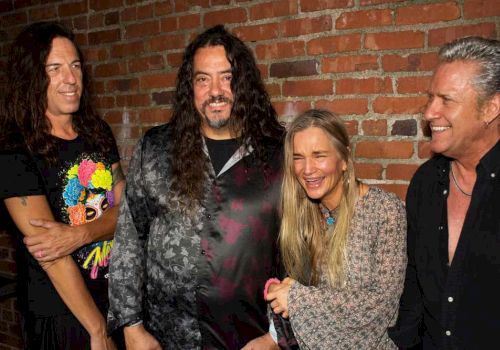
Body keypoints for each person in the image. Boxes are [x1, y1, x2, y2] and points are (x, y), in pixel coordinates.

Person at [107, 24, 284, 349]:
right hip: (166, 337)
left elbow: (303, 253)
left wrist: (276, 337)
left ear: (244, 83)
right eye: (203, 79)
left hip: (248, 338)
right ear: (190, 88)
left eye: (226, 77)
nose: (215, 90)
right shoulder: (156, 149)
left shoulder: (279, 154)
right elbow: (129, 240)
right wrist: (131, 327)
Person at [0, 21, 125, 349]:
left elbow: (127, 208)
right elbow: (51, 254)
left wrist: (80, 234)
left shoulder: (97, 131)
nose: (70, 79)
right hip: (61, 314)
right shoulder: (15, 149)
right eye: (54, 68)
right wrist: (97, 329)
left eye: (75, 66)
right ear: (32, 77)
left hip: (113, 297)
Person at [387, 36, 500, 349]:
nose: (429, 113)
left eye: (446, 100)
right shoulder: (426, 182)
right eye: (430, 98)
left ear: (491, 107)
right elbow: (413, 298)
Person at [265, 109, 407, 349]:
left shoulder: (384, 210)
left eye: (319, 155)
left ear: (344, 159)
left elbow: (383, 306)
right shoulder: (303, 215)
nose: (307, 169)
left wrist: (298, 298)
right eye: (298, 157)